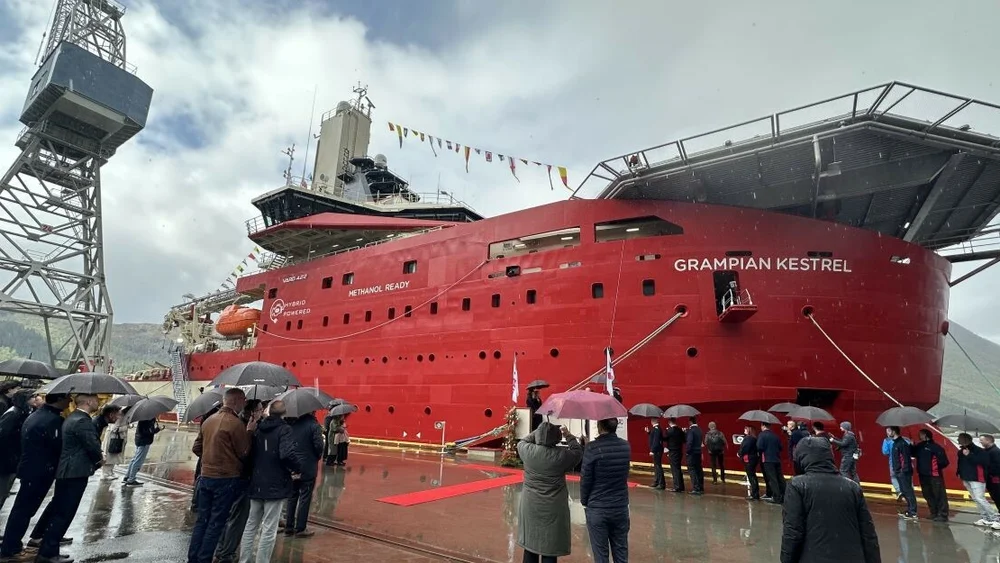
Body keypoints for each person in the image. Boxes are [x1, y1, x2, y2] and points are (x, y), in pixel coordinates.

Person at [780, 437, 880, 563]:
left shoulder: (797, 486)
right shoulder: (853, 487)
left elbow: (792, 532)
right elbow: (868, 534)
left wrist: (786, 560)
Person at [0, 393, 70, 561]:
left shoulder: (37, 415)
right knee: (23, 511)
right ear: (59, 400)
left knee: (22, 510)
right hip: (39, 471)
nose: (70, 401)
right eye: (67, 398)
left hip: (31, 469)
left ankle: (11, 546)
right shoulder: (52, 420)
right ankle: (11, 549)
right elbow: (56, 446)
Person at [35, 393, 103, 563]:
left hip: (68, 471)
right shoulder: (82, 421)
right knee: (63, 514)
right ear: (88, 401)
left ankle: (48, 548)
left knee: (59, 510)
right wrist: (99, 460)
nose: (99, 402)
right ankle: (48, 553)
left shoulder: (73, 417)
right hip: (75, 472)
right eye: (96, 400)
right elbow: (92, 445)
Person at [187, 388, 253, 563]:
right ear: (236, 401)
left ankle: (193, 558)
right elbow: (244, 452)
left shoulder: (209, 420)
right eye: (243, 400)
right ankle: (204, 558)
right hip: (226, 479)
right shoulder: (235, 424)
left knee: (202, 521)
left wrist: (210, 459)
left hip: (206, 477)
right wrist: (249, 432)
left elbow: (196, 448)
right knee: (216, 523)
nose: (244, 404)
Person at [239, 400, 302, 563]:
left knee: (251, 525)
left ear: (268, 412)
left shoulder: (258, 428)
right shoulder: (285, 429)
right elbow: (286, 454)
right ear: (284, 413)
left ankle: (244, 559)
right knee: (269, 528)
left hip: (257, 482)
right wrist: (297, 467)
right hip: (276, 483)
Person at [516, 421, 583, 563]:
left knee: (530, 546)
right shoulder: (562, 455)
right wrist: (568, 435)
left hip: (531, 506)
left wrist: (539, 432)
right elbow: (577, 452)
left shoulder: (527, 450)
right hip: (554, 508)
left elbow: (523, 441)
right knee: (550, 549)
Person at [213, 399, 263, 563]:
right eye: (260, 409)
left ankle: (220, 551)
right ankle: (227, 554)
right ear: (252, 412)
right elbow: (245, 454)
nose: (262, 412)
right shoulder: (245, 428)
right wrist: (250, 433)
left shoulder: (229, 423)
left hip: (226, 476)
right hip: (242, 477)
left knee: (225, 516)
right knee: (238, 519)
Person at [581, 418, 630, 563]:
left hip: (598, 506)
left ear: (599, 426)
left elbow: (586, 479)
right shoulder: (625, 446)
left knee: (601, 554)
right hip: (620, 506)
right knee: (621, 552)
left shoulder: (592, 448)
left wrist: (585, 501)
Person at [284, 410, 324, 537]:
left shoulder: (291, 424)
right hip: (308, 465)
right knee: (305, 497)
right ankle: (300, 528)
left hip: (293, 465)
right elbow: (319, 446)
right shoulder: (314, 426)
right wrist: (316, 457)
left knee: (292, 495)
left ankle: (288, 526)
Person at [956, 432, 1000, 529]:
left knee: (980, 498)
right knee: (976, 499)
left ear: (965, 439)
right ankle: (985, 518)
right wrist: (958, 472)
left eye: (959, 438)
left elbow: (984, 463)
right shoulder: (961, 451)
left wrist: (969, 455)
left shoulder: (979, 451)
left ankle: (995, 518)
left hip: (976, 478)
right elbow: (960, 463)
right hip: (966, 477)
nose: (958, 440)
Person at [0, 390, 33, 516]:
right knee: (2, 487)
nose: (34, 399)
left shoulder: (21, 412)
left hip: (11, 456)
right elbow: (3, 434)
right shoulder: (13, 414)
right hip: (6, 458)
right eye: (31, 397)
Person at [911, 428, 950, 522]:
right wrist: (911, 446)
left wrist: (935, 468)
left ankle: (943, 514)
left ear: (925, 435)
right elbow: (913, 454)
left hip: (934, 475)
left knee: (939, 494)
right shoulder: (919, 446)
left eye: (920, 434)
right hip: (923, 474)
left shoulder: (936, 447)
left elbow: (944, 462)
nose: (919, 436)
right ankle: (934, 512)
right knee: (927, 494)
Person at [887, 426, 918, 520]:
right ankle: (909, 509)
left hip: (903, 472)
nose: (887, 433)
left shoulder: (902, 444)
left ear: (894, 432)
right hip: (898, 471)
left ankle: (913, 512)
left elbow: (906, 459)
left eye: (889, 431)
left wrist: (903, 470)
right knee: (904, 491)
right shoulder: (896, 443)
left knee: (908, 491)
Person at [124, 415, 162, 487]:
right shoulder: (149, 418)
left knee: (135, 459)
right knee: (138, 460)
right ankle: (131, 480)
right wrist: (158, 429)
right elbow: (150, 431)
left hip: (139, 439)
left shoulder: (143, 417)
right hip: (144, 441)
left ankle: (127, 476)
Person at [757, 422, 785, 503]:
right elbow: (780, 447)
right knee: (780, 478)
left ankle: (776, 497)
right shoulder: (775, 436)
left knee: (772, 479)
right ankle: (784, 495)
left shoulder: (762, 435)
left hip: (767, 459)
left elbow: (759, 447)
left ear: (763, 426)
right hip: (776, 459)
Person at [103, 406, 130, 480]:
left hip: (116, 438)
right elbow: (114, 429)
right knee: (110, 456)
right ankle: (105, 474)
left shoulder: (123, 416)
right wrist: (126, 427)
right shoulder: (120, 417)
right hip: (113, 439)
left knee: (114, 456)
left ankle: (110, 472)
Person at [738, 425, 760, 500]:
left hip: (749, 459)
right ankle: (755, 493)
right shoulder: (754, 438)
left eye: (746, 429)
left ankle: (754, 494)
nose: (744, 429)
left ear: (749, 430)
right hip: (754, 458)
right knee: (753, 475)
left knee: (751, 476)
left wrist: (739, 453)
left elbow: (745, 448)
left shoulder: (748, 439)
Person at [663, 418, 685, 492]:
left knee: (674, 469)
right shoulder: (680, 430)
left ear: (669, 422)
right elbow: (684, 440)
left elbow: (664, 438)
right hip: (679, 451)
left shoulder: (669, 430)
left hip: (673, 451)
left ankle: (677, 486)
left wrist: (666, 430)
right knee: (678, 468)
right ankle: (681, 486)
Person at [980, 434, 1000, 513]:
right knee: (995, 496)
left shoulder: (995, 451)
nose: (980, 442)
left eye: (982, 440)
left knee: (997, 496)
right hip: (989, 478)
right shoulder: (986, 451)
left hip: (994, 478)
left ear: (988, 440)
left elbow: (997, 466)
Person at [685, 416, 704, 494]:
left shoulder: (691, 431)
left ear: (690, 422)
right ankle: (701, 487)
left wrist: (687, 451)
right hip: (698, 452)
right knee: (699, 469)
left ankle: (696, 488)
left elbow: (689, 442)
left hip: (692, 453)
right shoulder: (699, 430)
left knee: (692, 470)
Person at [645, 419, 665, 489]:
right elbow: (654, 437)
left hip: (657, 450)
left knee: (658, 467)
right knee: (656, 467)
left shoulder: (656, 429)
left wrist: (652, 450)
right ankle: (657, 481)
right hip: (657, 450)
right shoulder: (655, 429)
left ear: (652, 422)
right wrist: (649, 432)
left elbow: (656, 441)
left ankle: (661, 483)